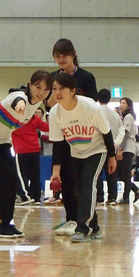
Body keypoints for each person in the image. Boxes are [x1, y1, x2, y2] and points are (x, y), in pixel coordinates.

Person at [0, 71, 52, 237]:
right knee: (7, 177)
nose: (41, 92)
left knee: (13, 180)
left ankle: (6, 223)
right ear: (30, 84)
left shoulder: (37, 104)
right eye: (38, 87)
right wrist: (20, 105)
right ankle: (2, 224)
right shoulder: (18, 96)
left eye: (46, 90)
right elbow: (18, 100)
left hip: (1, 141)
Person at [48, 73, 117, 243]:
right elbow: (58, 144)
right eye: (54, 88)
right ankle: (95, 227)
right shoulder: (55, 112)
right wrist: (56, 171)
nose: (57, 92)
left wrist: (111, 156)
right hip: (76, 152)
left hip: (97, 150)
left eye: (61, 88)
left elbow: (107, 132)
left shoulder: (90, 107)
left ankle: (83, 228)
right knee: (78, 191)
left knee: (87, 185)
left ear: (72, 91)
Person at [47, 38, 97, 235]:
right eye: (57, 57)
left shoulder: (86, 77)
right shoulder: (53, 78)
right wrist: (57, 85)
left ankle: (87, 221)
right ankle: (71, 219)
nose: (61, 60)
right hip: (63, 134)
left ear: (73, 54)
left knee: (82, 181)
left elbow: (92, 105)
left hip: (84, 135)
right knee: (66, 179)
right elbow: (49, 105)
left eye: (64, 56)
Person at [11, 99, 49, 205]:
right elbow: (45, 127)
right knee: (34, 175)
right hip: (34, 149)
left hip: (21, 150)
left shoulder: (14, 119)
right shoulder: (34, 118)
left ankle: (25, 196)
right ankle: (36, 197)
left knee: (21, 175)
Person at [96, 88, 125, 204]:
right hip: (111, 148)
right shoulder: (115, 114)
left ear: (98, 99)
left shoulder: (96, 112)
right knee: (111, 172)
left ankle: (99, 197)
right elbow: (121, 131)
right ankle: (112, 197)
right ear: (109, 99)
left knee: (97, 173)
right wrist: (115, 143)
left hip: (98, 148)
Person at [116, 97, 139, 204]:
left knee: (126, 173)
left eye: (123, 103)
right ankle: (136, 189)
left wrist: (121, 149)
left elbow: (126, 134)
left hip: (127, 148)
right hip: (124, 148)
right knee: (120, 173)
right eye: (120, 103)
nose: (120, 105)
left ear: (128, 106)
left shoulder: (128, 117)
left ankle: (126, 197)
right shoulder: (123, 117)